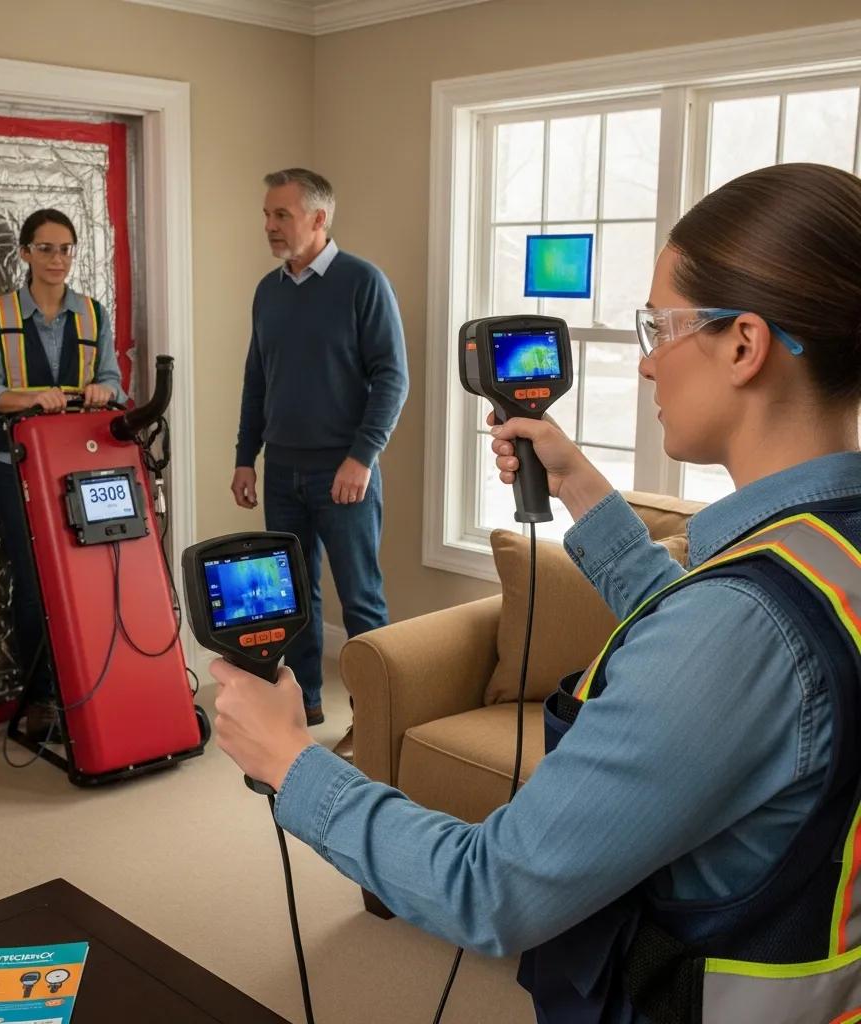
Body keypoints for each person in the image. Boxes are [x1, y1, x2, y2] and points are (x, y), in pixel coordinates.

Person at [210, 162, 861, 1023]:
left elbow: (490, 889)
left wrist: (291, 765)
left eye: (661, 326)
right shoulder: (824, 548)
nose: (645, 364)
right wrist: (584, 492)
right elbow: (734, 637)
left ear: (744, 344)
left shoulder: (739, 627)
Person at [231, 168, 408, 738]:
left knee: (361, 600)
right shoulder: (268, 290)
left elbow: (392, 378)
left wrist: (362, 457)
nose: (269, 226)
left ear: (318, 218)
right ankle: (303, 703)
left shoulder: (363, 282)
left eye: (280, 215)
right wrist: (244, 456)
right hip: (281, 470)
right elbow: (257, 381)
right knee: (290, 597)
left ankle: (373, 720)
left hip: (345, 471)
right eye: (266, 214)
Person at [0, 209, 125, 736]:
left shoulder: (94, 315)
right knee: (34, 583)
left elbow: (113, 383)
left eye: (65, 249)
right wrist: (32, 399)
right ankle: (41, 698)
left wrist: (106, 389)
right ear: (24, 253)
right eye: (45, 249)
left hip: (78, 466)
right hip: (15, 466)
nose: (57, 259)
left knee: (91, 573)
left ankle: (94, 687)